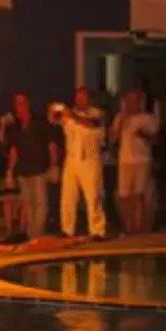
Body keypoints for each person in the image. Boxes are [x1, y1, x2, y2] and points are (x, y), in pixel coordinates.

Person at [4, 93, 58, 242]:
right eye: (16, 104)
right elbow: (13, 151)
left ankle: (37, 233)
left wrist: (53, 166)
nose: (18, 107)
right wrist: (10, 171)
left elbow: (51, 145)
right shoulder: (15, 128)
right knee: (27, 204)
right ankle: (31, 233)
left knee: (40, 203)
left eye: (21, 103)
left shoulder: (40, 123)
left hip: (39, 169)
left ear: (27, 104)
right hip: (23, 170)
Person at [56, 87, 108, 242]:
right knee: (68, 196)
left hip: (90, 160)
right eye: (78, 98)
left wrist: (72, 115)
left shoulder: (97, 114)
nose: (80, 101)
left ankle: (97, 230)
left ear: (89, 99)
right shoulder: (69, 115)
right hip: (72, 159)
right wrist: (55, 110)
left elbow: (92, 124)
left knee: (93, 196)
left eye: (83, 98)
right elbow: (53, 119)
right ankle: (67, 229)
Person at [110, 90, 159, 234]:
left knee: (139, 193)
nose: (131, 104)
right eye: (129, 101)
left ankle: (139, 225)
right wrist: (119, 125)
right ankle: (127, 225)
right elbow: (113, 138)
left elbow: (156, 139)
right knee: (124, 195)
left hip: (142, 160)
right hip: (125, 160)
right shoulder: (120, 118)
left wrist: (143, 134)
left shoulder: (147, 119)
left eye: (135, 101)